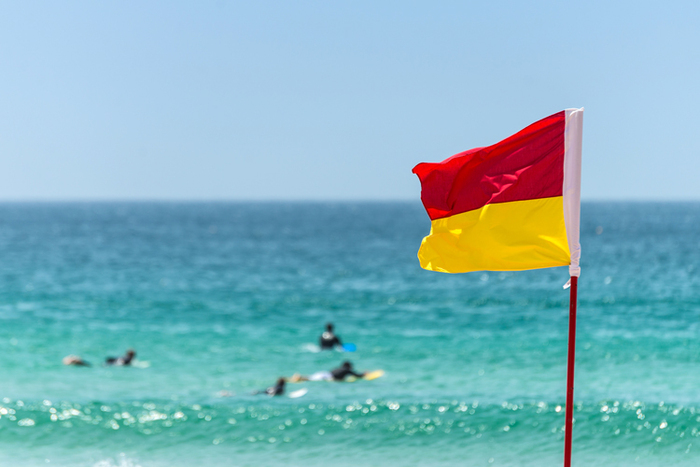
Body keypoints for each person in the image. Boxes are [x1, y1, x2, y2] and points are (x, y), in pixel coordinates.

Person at [291, 361, 365, 382]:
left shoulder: (338, 368)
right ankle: (300, 377)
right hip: (327, 377)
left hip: (325, 373)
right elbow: (357, 375)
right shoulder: (347, 370)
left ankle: (300, 377)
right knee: (311, 379)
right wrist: (364, 374)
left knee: (311, 377)